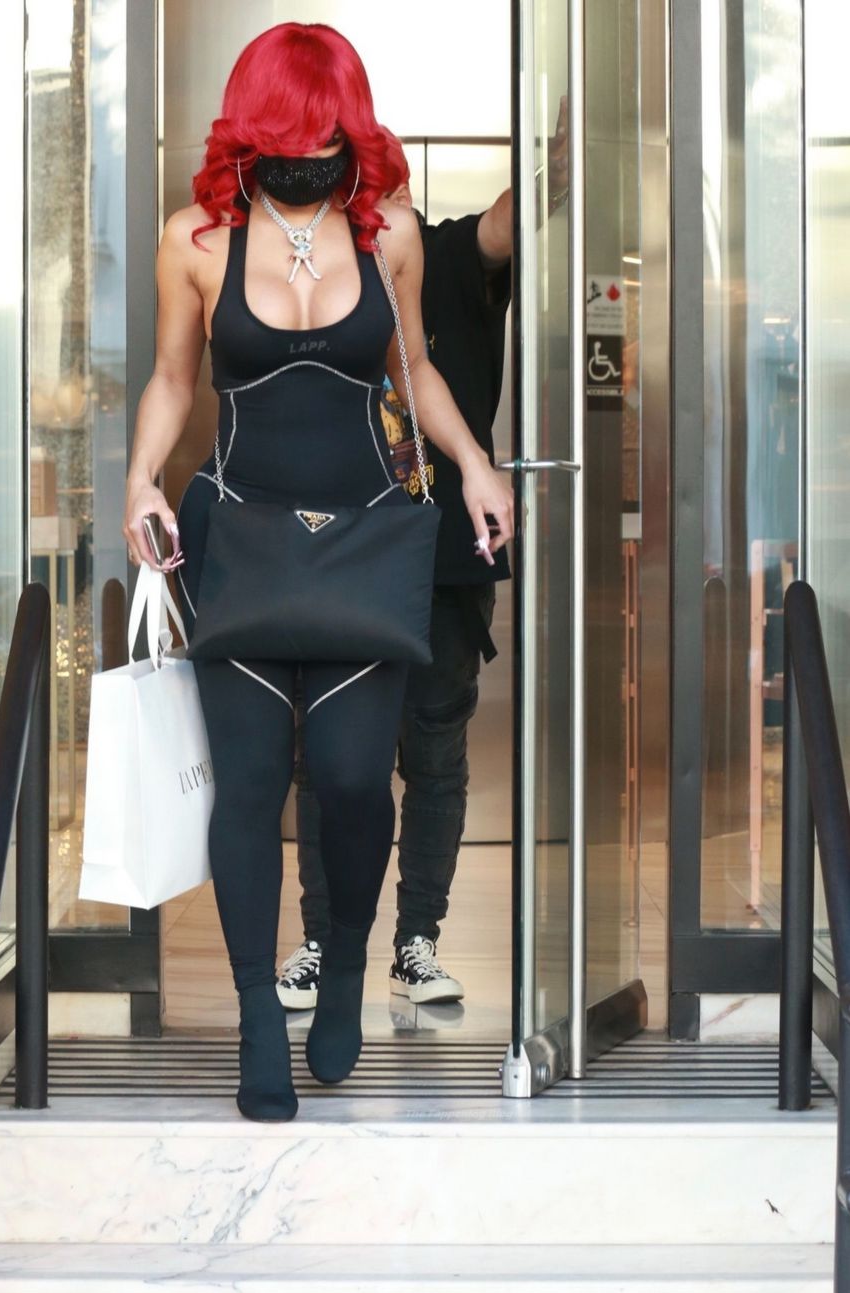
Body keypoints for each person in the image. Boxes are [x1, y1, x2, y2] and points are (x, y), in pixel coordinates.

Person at [122, 23, 513, 1123]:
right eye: (288, 142)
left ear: (351, 131)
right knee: (250, 788)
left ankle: (345, 963)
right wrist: (140, 477)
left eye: (325, 140)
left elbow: (415, 367)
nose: (307, 159)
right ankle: (258, 1012)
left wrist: (475, 465)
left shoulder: (390, 235)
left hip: (364, 541)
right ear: (251, 133)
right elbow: (172, 378)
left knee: (349, 780)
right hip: (239, 539)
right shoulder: (196, 239)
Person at [279, 105, 569, 1012]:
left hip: (443, 556)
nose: (375, 203)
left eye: (386, 184)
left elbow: (507, 223)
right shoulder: (314, 273)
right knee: (329, 760)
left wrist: (561, 160)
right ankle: (323, 941)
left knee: (435, 750)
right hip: (338, 557)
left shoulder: (444, 254)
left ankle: (416, 943)